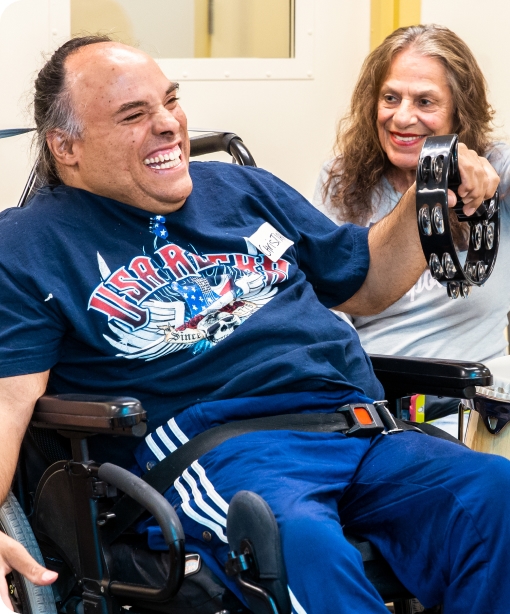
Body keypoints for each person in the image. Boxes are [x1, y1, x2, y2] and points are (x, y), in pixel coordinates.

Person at [0, 35, 506, 614]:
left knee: (494, 495)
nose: (169, 125)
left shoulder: (243, 190)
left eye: (170, 101)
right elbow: (6, 404)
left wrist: (430, 192)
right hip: (222, 448)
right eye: (134, 115)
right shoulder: (27, 245)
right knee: (301, 546)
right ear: (66, 146)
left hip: (361, 428)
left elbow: (367, 282)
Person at [313, 24, 510, 421]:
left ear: (459, 110)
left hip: (473, 405)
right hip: (374, 402)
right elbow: (327, 314)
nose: (402, 117)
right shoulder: (340, 179)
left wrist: (465, 166)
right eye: (390, 98)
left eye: (425, 102)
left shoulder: (497, 168)